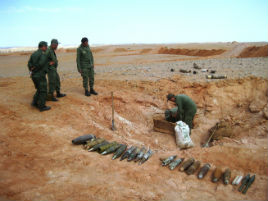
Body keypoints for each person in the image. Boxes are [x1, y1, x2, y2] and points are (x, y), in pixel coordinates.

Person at [28, 41, 51, 112]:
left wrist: (32, 69)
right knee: (43, 90)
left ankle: (34, 102)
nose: (47, 48)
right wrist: (49, 64)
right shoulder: (42, 55)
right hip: (40, 75)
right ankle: (42, 106)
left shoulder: (34, 54)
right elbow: (41, 64)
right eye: (46, 46)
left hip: (34, 75)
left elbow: (29, 64)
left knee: (39, 89)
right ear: (43, 46)